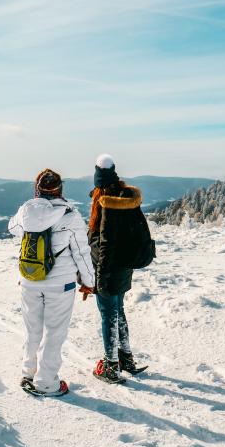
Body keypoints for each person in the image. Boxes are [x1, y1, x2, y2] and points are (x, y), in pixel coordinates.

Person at [8, 168, 95, 396]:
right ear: (59, 189)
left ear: (37, 189)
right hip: (61, 284)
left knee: (32, 329)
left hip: (29, 280)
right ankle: (46, 382)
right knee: (54, 332)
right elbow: (82, 253)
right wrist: (89, 282)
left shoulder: (25, 211)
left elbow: (12, 228)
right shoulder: (70, 215)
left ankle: (28, 371)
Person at [87, 154, 149, 384]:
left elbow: (106, 245)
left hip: (108, 269)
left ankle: (111, 365)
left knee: (108, 315)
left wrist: (100, 277)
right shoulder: (126, 201)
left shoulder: (107, 206)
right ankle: (126, 357)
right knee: (118, 311)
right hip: (124, 268)